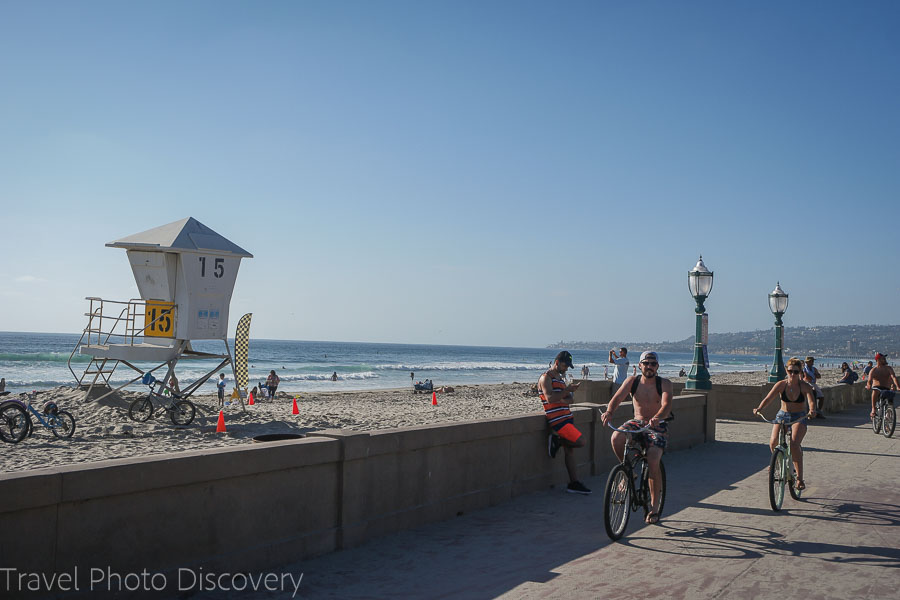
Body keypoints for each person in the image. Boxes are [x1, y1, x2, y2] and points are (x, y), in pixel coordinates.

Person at [601, 351, 673, 524]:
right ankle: (629, 472)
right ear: (639, 365)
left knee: (653, 459)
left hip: (657, 425)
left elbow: (666, 404)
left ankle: (654, 507)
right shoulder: (632, 381)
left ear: (657, 366)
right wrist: (609, 412)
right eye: (646, 363)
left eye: (653, 364)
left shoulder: (664, 383)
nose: (649, 366)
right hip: (637, 422)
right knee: (616, 438)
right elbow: (617, 397)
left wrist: (658, 417)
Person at [753, 357, 816, 491]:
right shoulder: (781, 385)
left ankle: (799, 478)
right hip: (783, 414)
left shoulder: (805, 386)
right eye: (790, 371)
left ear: (800, 372)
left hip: (799, 416)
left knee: (794, 444)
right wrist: (759, 408)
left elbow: (811, 401)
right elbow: (768, 398)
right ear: (786, 371)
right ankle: (778, 462)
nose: (792, 374)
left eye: (795, 372)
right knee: (773, 442)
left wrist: (812, 410)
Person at [540, 351, 590, 495]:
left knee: (570, 451)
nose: (566, 368)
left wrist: (564, 395)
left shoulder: (560, 380)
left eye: (568, 366)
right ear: (557, 362)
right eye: (565, 365)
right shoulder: (546, 378)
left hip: (567, 416)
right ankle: (558, 441)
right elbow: (549, 398)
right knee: (581, 441)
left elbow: (570, 400)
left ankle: (573, 483)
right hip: (558, 420)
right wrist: (566, 391)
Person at [866, 353, 899, 418]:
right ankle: (873, 409)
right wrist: (869, 385)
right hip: (877, 387)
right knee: (875, 391)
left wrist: (897, 386)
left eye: (884, 358)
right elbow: (869, 380)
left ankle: (888, 417)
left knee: (890, 400)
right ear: (878, 360)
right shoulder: (874, 370)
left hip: (886, 388)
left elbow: (894, 377)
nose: (885, 359)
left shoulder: (889, 368)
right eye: (883, 358)